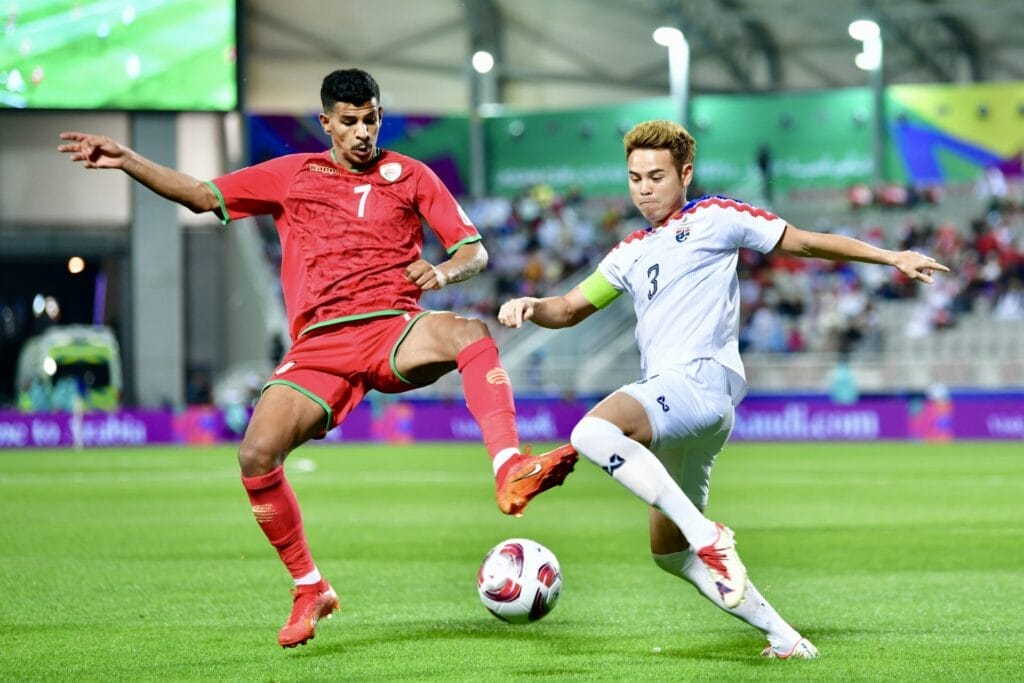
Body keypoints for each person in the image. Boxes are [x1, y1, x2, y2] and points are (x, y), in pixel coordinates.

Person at [58, 68, 577, 648]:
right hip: (319, 347)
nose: (362, 132)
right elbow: (202, 196)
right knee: (255, 454)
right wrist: (128, 160)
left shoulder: (411, 174)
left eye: (371, 119)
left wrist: (443, 272)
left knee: (470, 332)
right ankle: (310, 587)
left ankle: (508, 467)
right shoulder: (292, 174)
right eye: (349, 121)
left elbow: (473, 251)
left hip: (391, 327)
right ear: (326, 122)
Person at [498, 119, 949, 659]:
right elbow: (569, 308)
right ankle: (785, 638)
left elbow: (804, 242)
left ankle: (708, 535)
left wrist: (892, 256)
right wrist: (534, 306)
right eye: (635, 178)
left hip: (700, 380)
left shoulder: (715, 217)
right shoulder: (628, 252)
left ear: (685, 173)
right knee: (670, 554)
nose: (644, 189)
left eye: (657, 176)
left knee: (590, 432)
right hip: (683, 408)